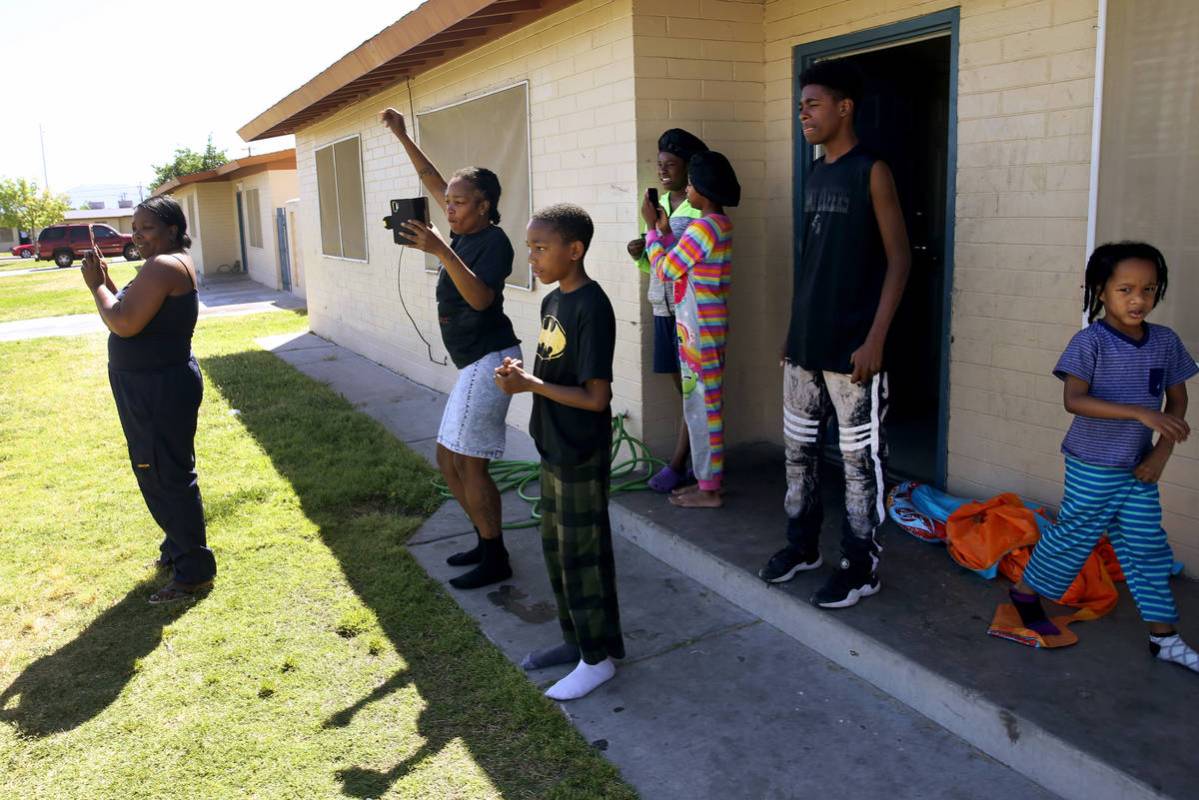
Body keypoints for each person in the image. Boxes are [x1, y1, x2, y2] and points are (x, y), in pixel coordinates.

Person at [758, 58, 911, 608]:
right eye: (800, 106)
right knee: (797, 454)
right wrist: (792, 331)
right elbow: (814, 262)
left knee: (858, 463)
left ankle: (860, 564)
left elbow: (899, 261)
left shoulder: (872, 170)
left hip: (854, 350)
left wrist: (876, 339)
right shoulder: (817, 171)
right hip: (805, 344)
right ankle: (803, 547)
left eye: (813, 104)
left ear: (844, 108)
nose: (803, 114)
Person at [1004, 242, 1198, 673]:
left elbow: (1177, 402)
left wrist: (1160, 455)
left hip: (1139, 465)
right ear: (1100, 290)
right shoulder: (1089, 342)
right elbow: (1074, 400)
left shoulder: (1165, 342)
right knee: (1076, 534)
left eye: (1149, 289)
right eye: (1125, 289)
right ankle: (1025, 592)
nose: (1138, 299)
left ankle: (1163, 638)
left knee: (1147, 546)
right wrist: (1137, 411)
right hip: (1092, 462)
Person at [381, 107, 523, 590]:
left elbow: (482, 298)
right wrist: (402, 134)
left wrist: (442, 250)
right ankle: (486, 543)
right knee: (448, 459)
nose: (449, 207)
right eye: (448, 200)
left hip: (492, 360)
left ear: (483, 205)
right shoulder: (462, 232)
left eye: (459, 202)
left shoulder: (492, 242)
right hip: (474, 364)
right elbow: (429, 176)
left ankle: (495, 553)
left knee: (469, 461)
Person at [494, 203, 624, 700]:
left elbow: (596, 397)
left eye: (541, 247)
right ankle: (578, 643)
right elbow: (552, 374)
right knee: (557, 552)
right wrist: (520, 377)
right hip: (551, 444)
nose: (532, 257)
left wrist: (531, 386)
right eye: (529, 247)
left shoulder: (592, 306)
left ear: (575, 250)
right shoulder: (553, 302)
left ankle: (598, 660)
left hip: (579, 450)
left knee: (582, 558)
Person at [82, 196, 215, 604]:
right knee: (165, 467)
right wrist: (108, 283)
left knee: (163, 472)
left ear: (172, 230)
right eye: (135, 228)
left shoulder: (163, 266)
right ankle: (177, 549)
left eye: (147, 228)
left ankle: (192, 571)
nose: (137, 235)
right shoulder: (169, 262)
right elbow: (134, 310)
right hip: (157, 382)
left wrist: (97, 287)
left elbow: (123, 322)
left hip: (156, 387)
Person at [642, 151, 739, 509]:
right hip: (703, 325)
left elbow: (667, 270)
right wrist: (666, 234)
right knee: (703, 402)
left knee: (702, 405)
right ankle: (707, 480)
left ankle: (709, 489)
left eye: (693, 184)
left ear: (704, 189)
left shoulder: (704, 226)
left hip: (698, 327)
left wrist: (651, 230)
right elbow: (685, 262)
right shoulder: (718, 225)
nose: (689, 189)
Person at [626, 129, 708, 493]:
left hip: (689, 312)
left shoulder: (699, 208)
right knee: (683, 391)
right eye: (658, 165)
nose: (662, 172)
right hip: (663, 306)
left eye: (670, 165)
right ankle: (690, 461)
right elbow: (656, 265)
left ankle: (681, 464)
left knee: (693, 392)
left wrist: (653, 230)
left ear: (690, 168)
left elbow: (679, 263)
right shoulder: (658, 207)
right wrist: (640, 252)